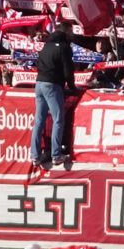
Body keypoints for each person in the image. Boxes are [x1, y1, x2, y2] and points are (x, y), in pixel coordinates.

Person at [32, 24, 75, 168]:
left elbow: (38, 64)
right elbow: (68, 71)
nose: (73, 34)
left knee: (39, 121)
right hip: (52, 85)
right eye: (71, 31)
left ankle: (35, 156)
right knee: (58, 119)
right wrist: (72, 87)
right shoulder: (64, 48)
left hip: (39, 84)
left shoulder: (46, 46)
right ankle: (56, 155)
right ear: (66, 32)